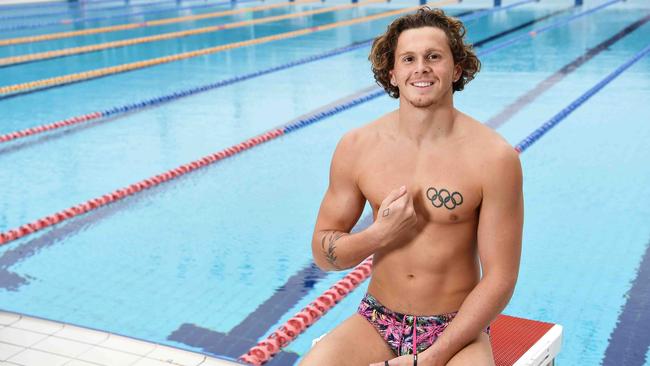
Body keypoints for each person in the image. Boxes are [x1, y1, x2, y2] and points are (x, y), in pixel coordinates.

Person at [299, 7, 523, 366]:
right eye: (409, 58)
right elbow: (322, 252)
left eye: (434, 57)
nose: (421, 67)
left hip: (457, 329)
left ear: (456, 69)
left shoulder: (493, 158)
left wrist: (432, 358)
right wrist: (378, 235)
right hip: (377, 320)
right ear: (393, 73)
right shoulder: (357, 147)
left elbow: (501, 279)